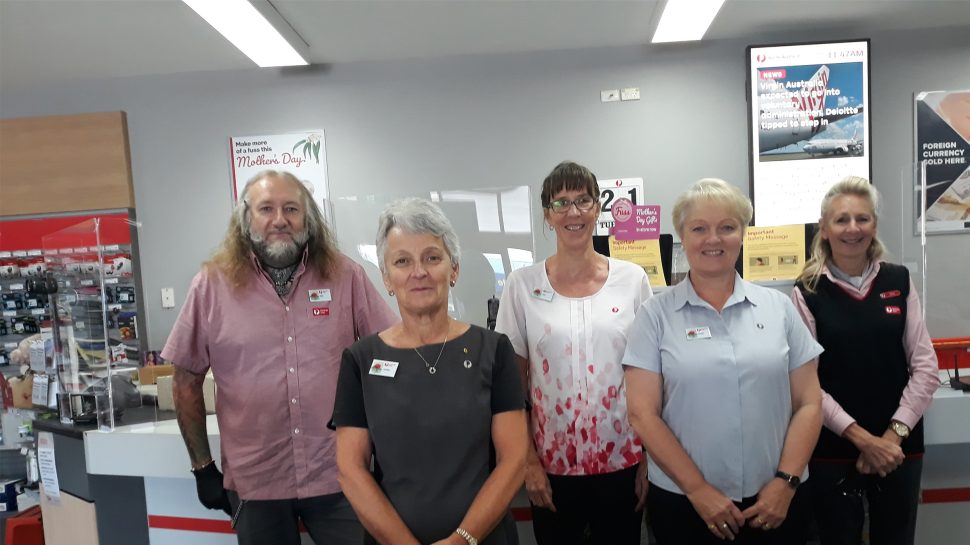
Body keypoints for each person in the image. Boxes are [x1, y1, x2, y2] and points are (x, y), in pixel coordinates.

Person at [162, 170, 397, 545]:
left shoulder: (345, 276)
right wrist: (203, 468)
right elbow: (185, 380)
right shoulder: (211, 286)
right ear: (246, 220)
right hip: (256, 481)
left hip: (339, 474)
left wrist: (388, 448)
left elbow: (387, 360)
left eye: (291, 208)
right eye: (266, 208)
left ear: (309, 219)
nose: (280, 219)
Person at [623, 178, 824, 545]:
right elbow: (642, 413)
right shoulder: (655, 315)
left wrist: (786, 482)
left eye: (727, 227)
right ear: (682, 236)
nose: (713, 239)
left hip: (775, 503)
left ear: (743, 234)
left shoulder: (778, 308)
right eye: (699, 228)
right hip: (685, 504)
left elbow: (810, 402)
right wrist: (698, 489)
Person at [332, 197, 528, 545]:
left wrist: (462, 539)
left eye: (432, 258)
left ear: (453, 270)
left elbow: (513, 460)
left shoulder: (494, 351)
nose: (418, 272)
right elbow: (351, 470)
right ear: (387, 278)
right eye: (402, 261)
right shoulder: (359, 361)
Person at [495, 161, 652, 545]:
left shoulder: (632, 280)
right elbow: (512, 387)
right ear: (547, 214)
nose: (573, 212)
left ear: (598, 207)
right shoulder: (522, 285)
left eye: (583, 200)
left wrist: (650, 458)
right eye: (561, 203)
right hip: (551, 467)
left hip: (622, 461)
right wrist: (527, 461)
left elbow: (649, 376)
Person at [791, 176, 939, 545]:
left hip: (899, 450)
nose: (853, 229)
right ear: (823, 229)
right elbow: (808, 384)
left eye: (863, 218)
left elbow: (925, 367)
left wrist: (890, 438)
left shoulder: (899, 280)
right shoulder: (806, 292)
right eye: (841, 220)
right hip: (831, 450)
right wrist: (862, 440)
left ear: (874, 224)